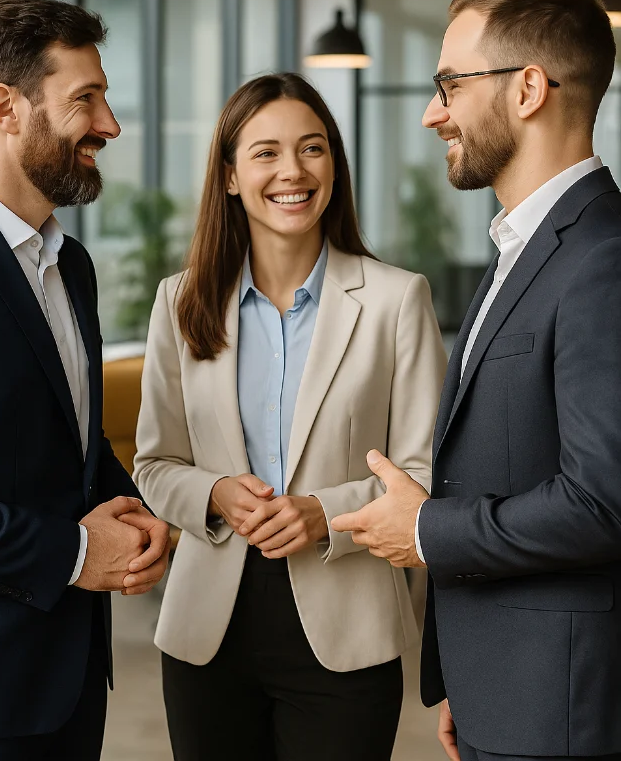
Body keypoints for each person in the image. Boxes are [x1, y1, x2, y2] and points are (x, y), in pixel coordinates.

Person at [332, 0, 621, 761]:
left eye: (449, 84)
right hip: (508, 687)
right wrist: (468, 675)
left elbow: (603, 502)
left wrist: (424, 529)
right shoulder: (521, 246)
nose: (433, 111)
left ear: (528, 88)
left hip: (561, 714)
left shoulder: (601, 259)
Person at [133, 72, 446, 761]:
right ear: (229, 176)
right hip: (205, 634)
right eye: (266, 153)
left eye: (312, 148)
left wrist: (321, 514)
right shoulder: (180, 302)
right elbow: (154, 464)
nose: (292, 171)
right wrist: (213, 493)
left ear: (333, 163)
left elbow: (422, 475)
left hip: (348, 627)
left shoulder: (396, 301)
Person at [0, 0, 170, 761]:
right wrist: (76, 555)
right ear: (5, 107)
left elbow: (65, 442)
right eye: (86, 99)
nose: (109, 125)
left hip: (72, 678)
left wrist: (133, 514)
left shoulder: (68, 264)